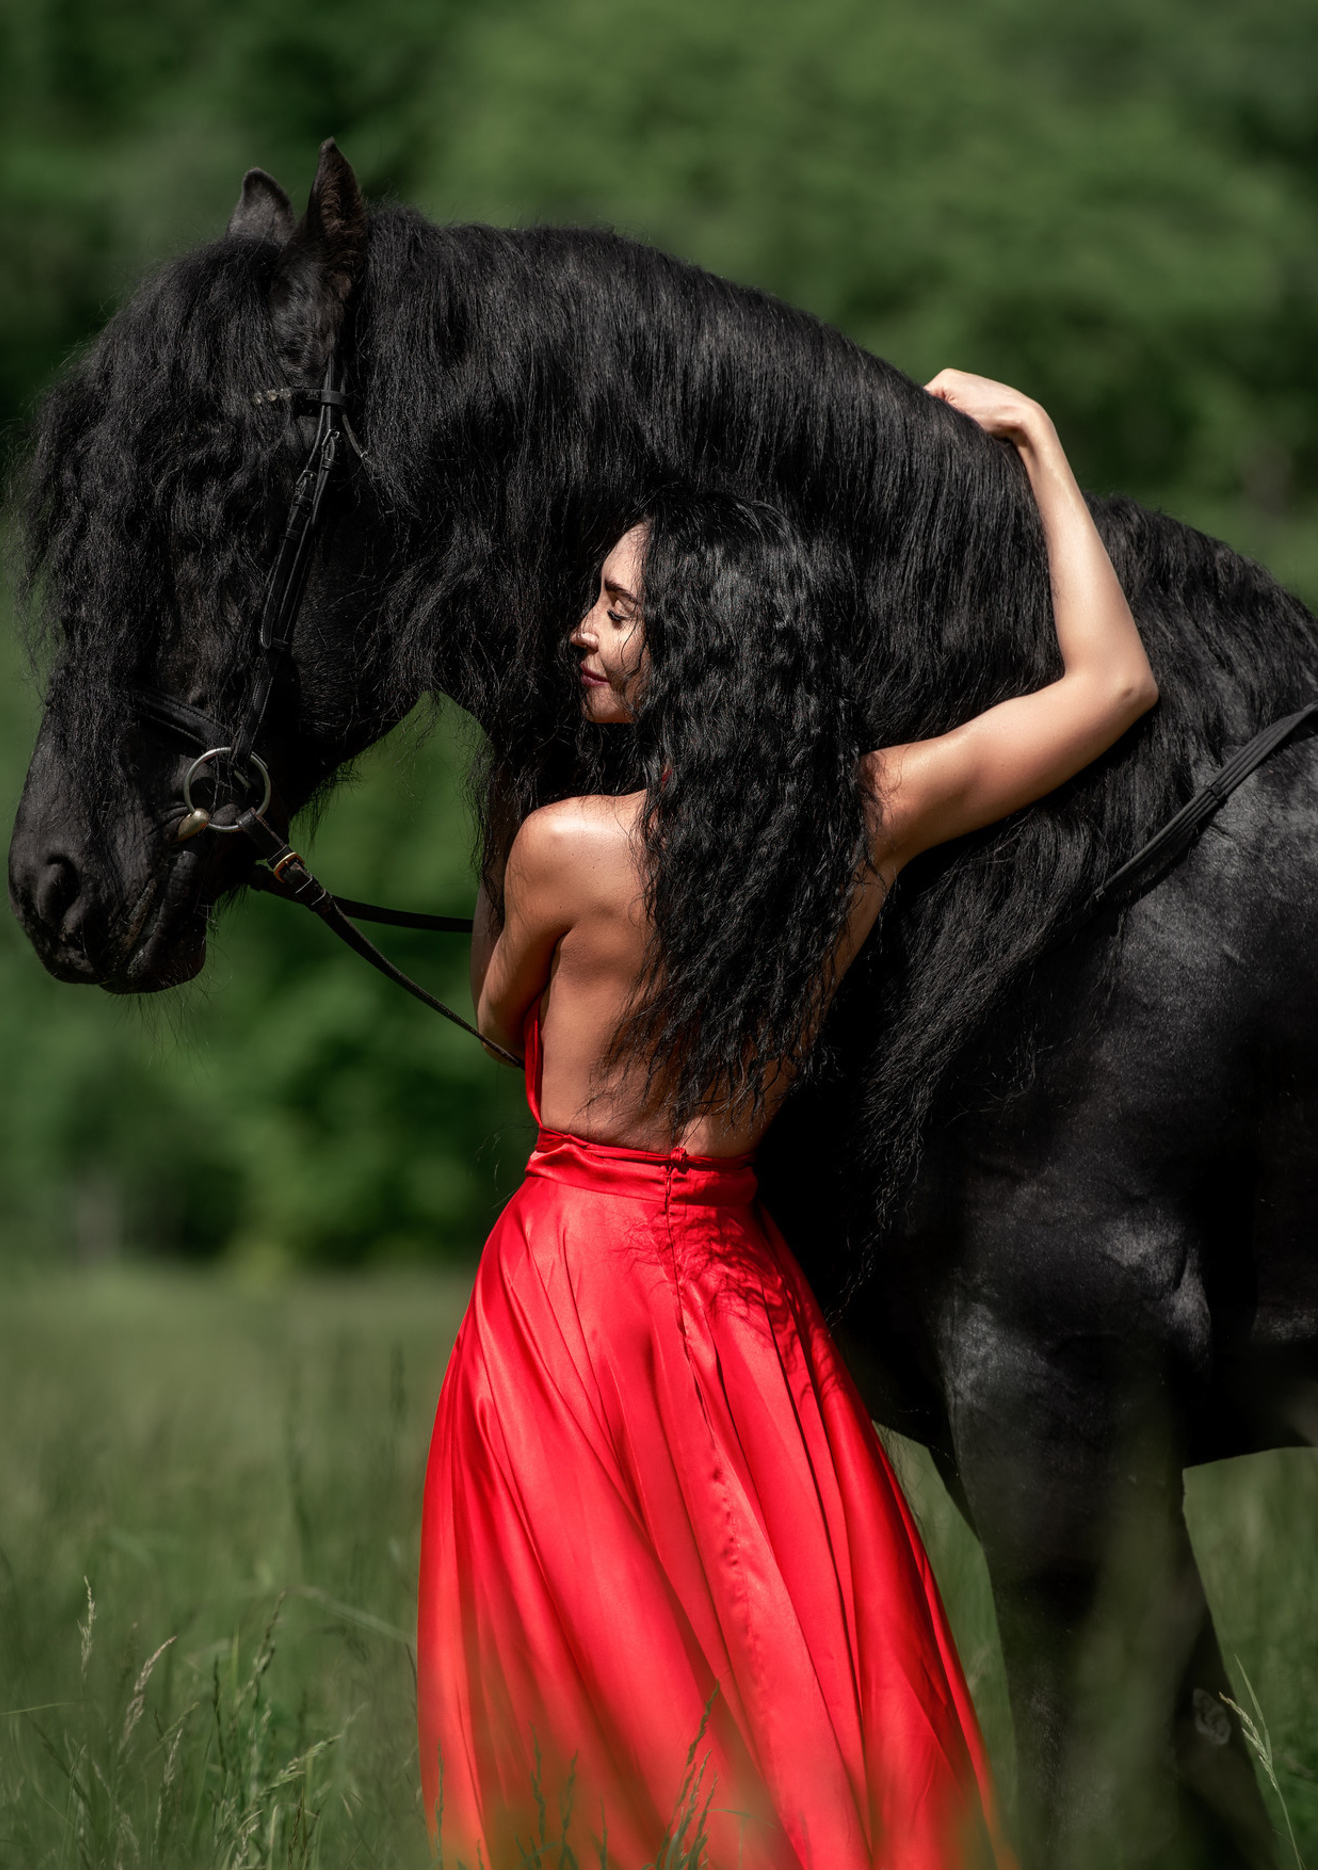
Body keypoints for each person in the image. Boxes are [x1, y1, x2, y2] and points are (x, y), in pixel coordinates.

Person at [416, 371, 1157, 1869]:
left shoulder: (567, 849)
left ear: (699, 643)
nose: (585, 631)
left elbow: (499, 1019)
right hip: (741, 1289)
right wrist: (1044, 450)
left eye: (619, 612)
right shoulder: (864, 822)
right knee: (798, 1659)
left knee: (580, 1692)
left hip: (570, 1283)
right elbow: (1112, 686)